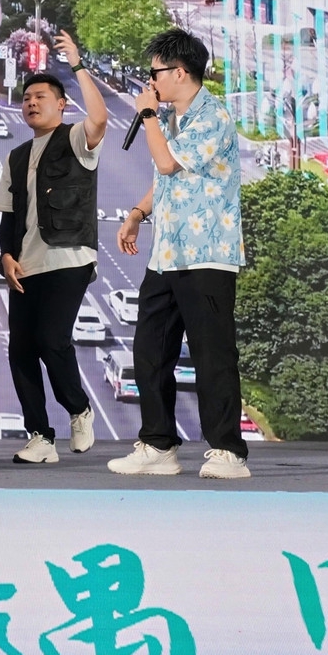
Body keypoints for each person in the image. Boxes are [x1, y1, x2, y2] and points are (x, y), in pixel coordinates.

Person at [110, 28, 251, 480]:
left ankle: (228, 451)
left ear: (181, 72)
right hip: (167, 253)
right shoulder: (172, 118)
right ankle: (158, 444)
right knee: (150, 350)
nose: (150, 82)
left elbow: (168, 162)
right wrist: (138, 212)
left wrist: (149, 115)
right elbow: (168, 178)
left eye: (155, 73)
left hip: (206, 252)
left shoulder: (213, 116)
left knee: (212, 355)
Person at [0, 30, 108, 465]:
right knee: (20, 349)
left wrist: (77, 64)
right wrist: (6, 256)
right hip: (27, 265)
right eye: (26, 98)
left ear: (61, 104)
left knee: (51, 339)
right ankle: (40, 437)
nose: (31, 102)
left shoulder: (76, 138)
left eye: (40, 96)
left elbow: (100, 119)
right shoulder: (16, 156)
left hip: (69, 256)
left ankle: (78, 409)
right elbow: (9, 216)